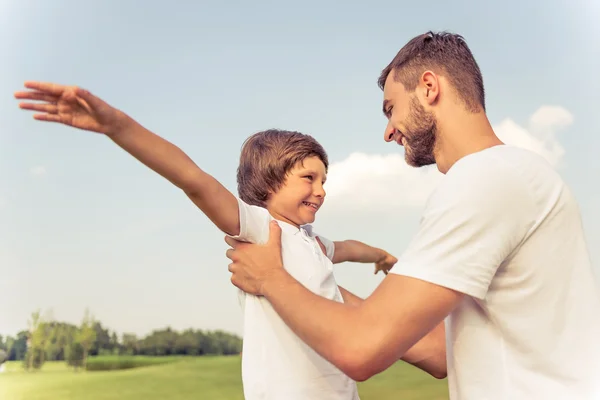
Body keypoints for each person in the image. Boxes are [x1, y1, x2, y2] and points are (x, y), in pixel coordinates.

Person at [223, 31, 600, 400]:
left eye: (391, 109)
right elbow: (438, 352)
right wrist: (311, 278)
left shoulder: (484, 179)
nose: (388, 132)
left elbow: (360, 348)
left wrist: (271, 278)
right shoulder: (512, 174)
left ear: (429, 87)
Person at [14, 84, 399, 399]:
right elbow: (192, 179)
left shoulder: (314, 242)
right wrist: (117, 125)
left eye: (324, 181)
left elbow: (347, 248)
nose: (321, 191)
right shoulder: (259, 227)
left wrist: (379, 255)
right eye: (308, 178)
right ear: (268, 182)